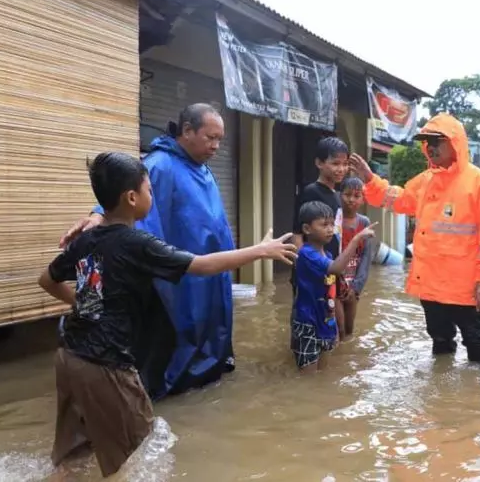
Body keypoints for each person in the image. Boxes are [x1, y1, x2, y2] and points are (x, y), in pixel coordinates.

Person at [40, 152, 297, 477]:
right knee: (143, 452)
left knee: (74, 456)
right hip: (105, 365)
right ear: (132, 198)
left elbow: (47, 280)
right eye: (150, 191)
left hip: (68, 354)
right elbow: (201, 265)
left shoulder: (87, 239)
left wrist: (85, 305)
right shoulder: (138, 243)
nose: (153, 197)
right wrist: (261, 250)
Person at [59, 103, 239, 399]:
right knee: (175, 334)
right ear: (187, 131)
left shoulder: (202, 168)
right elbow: (120, 200)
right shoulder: (161, 165)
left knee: (208, 332)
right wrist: (96, 216)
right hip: (184, 274)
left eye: (220, 139)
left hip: (208, 275)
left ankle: (206, 373)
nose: (216, 146)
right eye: (210, 137)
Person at [348, 113, 480, 364]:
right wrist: (370, 179)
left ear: (455, 143)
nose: (430, 147)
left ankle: (478, 396)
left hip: (466, 286)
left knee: (476, 339)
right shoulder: (425, 181)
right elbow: (395, 199)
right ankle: (441, 392)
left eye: (436, 141)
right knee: (440, 339)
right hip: (431, 284)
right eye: (426, 142)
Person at [292, 201, 375, 372]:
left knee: (322, 374)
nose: (330, 229)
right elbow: (336, 268)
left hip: (326, 322)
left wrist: (335, 326)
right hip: (307, 323)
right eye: (324, 225)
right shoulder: (306, 254)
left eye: (332, 224)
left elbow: (332, 292)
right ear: (307, 229)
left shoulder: (328, 255)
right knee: (308, 379)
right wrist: (356, 239)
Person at [292, 137, 349, 335]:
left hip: (331, 266)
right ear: (319, 163)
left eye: (345, 164)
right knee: (309, 322)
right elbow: (297, 232)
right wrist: (302, 267)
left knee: (331, 324)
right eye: (335, 163)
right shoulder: (311, 192)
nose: (341, 169)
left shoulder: (336, 194)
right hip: (315, 270)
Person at [339, 177, 374, 337]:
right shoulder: (334, 220)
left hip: (353, 284)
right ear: (339, 195)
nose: (351, 200)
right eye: (347, 195)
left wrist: (356, 287)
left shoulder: (364, 222)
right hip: (335, 283)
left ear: (363, 199)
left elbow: (366, 258)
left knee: (349, 331)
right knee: (338, 331)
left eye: (356, 195)